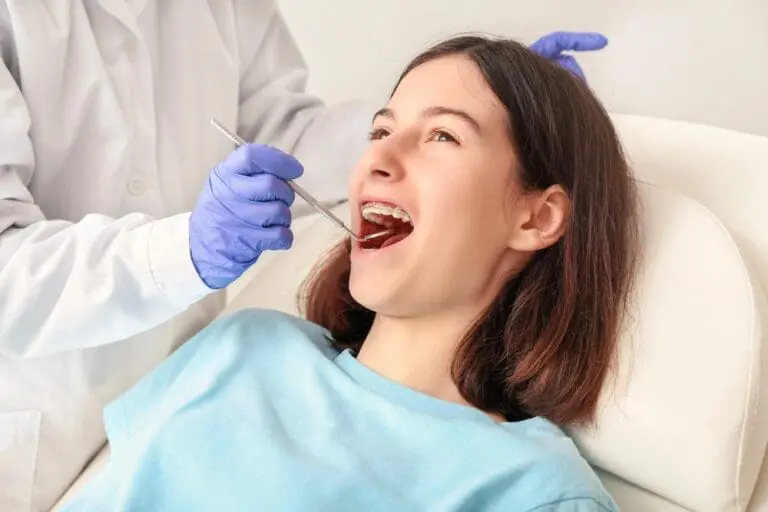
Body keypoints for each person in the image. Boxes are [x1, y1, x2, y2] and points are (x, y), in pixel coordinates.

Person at [0, 0, 608, 509]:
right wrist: (181, 253)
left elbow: (285, 133)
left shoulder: (531, 490)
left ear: (537, 214)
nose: (372, 160)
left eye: (442, 135)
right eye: (378, 132)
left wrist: (519, 97)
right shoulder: (243, 353)